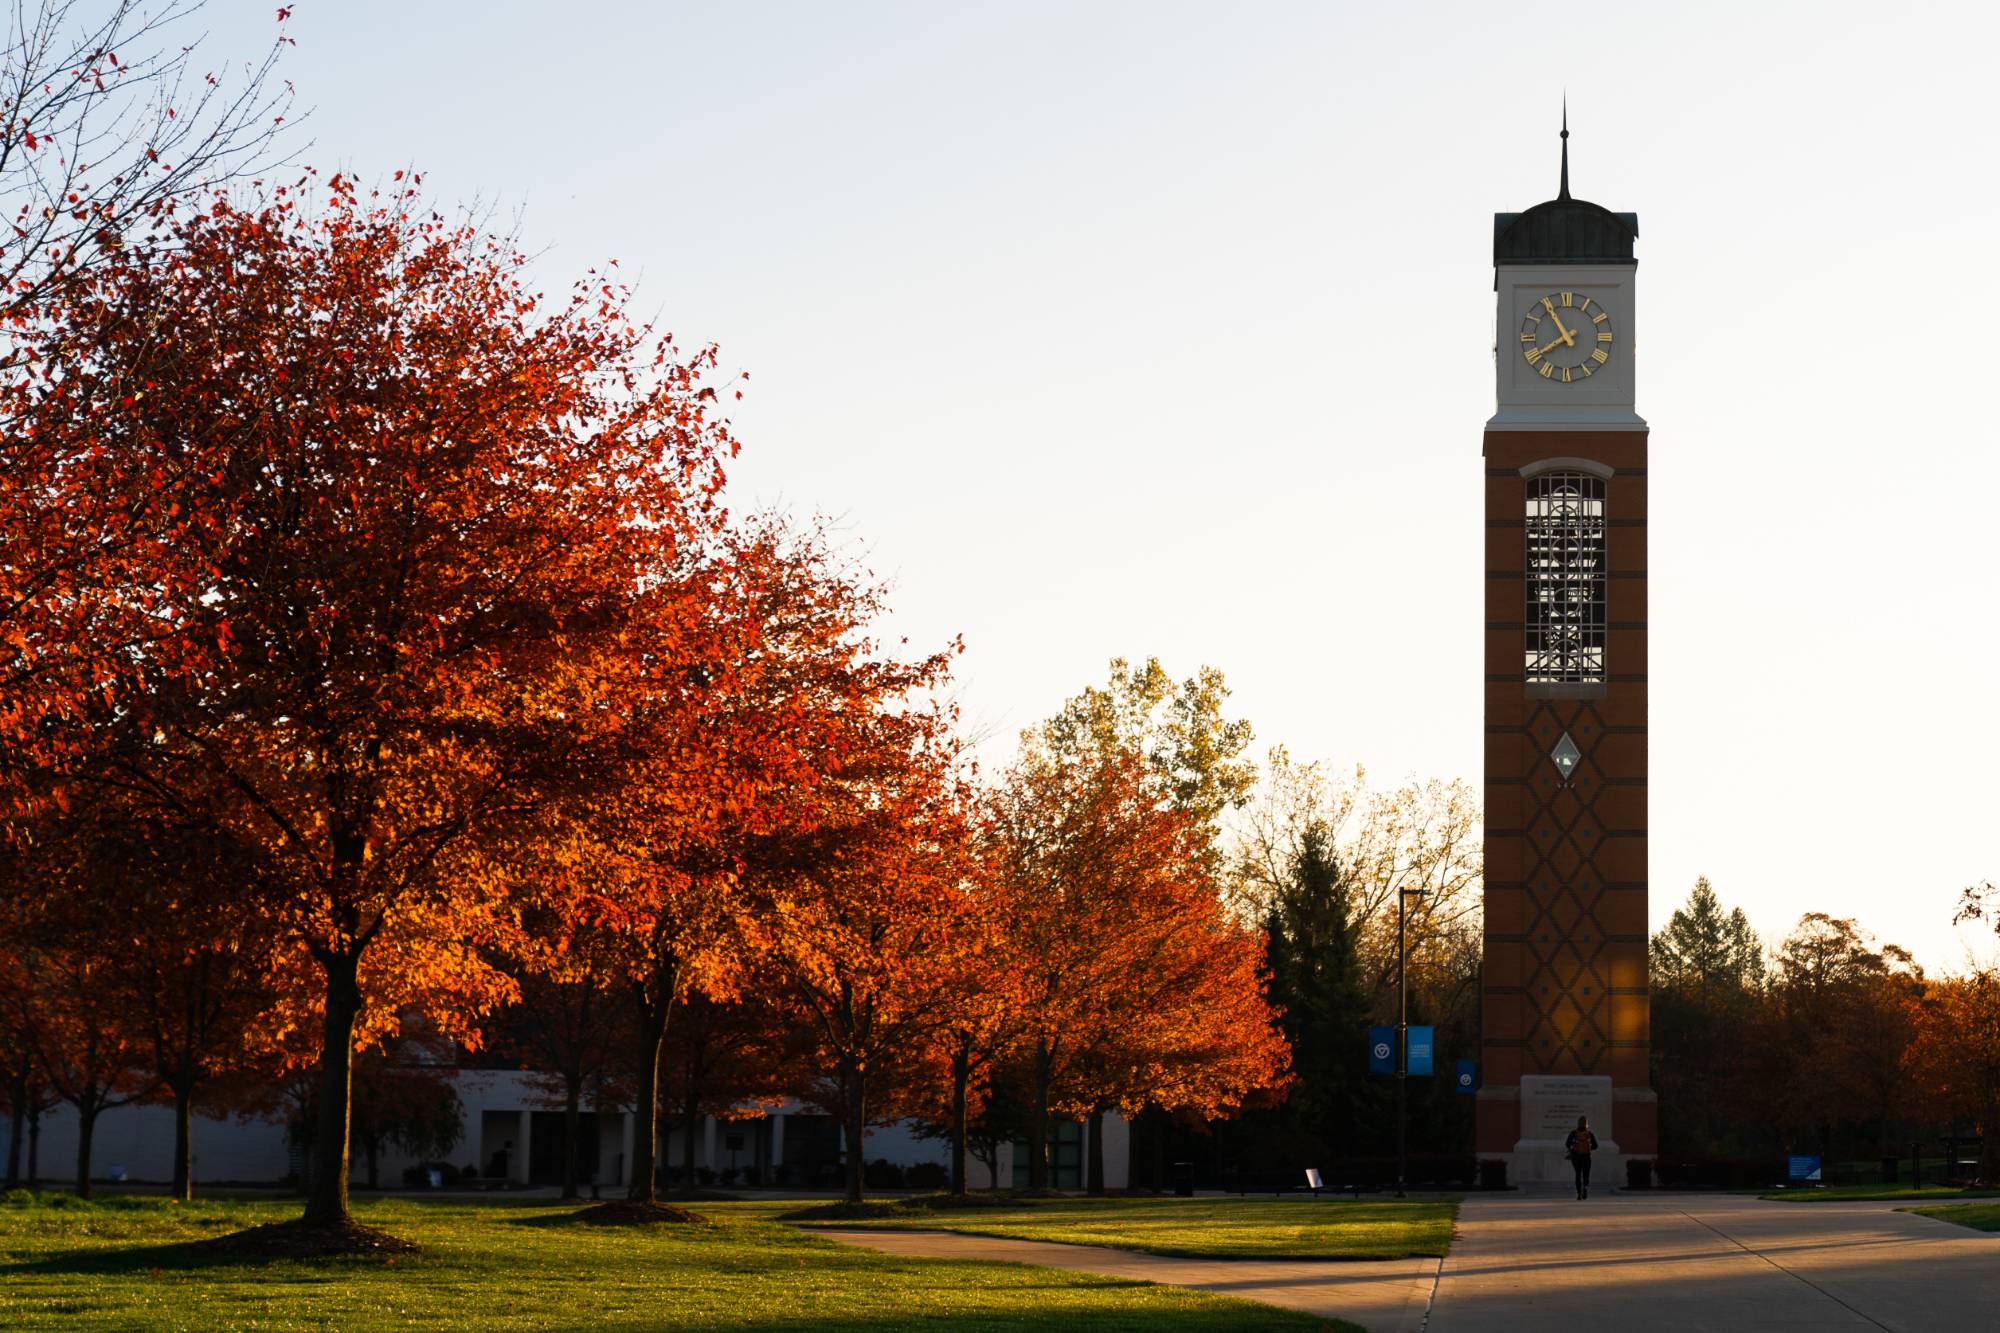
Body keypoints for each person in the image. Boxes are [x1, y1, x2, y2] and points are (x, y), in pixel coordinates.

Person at [1565, 1116, 1597, 1199]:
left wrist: (1572, 1149)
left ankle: (1579, 1193)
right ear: (1586, 1124)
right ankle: (1585, 1188)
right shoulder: (1589, 1133)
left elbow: (1567, 1144)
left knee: (1578, 1174)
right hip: (1586, 1156)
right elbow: (1595, 1146)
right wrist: (1589, 1148)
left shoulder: (1574, 1133)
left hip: (1576, 1157)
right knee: (1586, 1175)